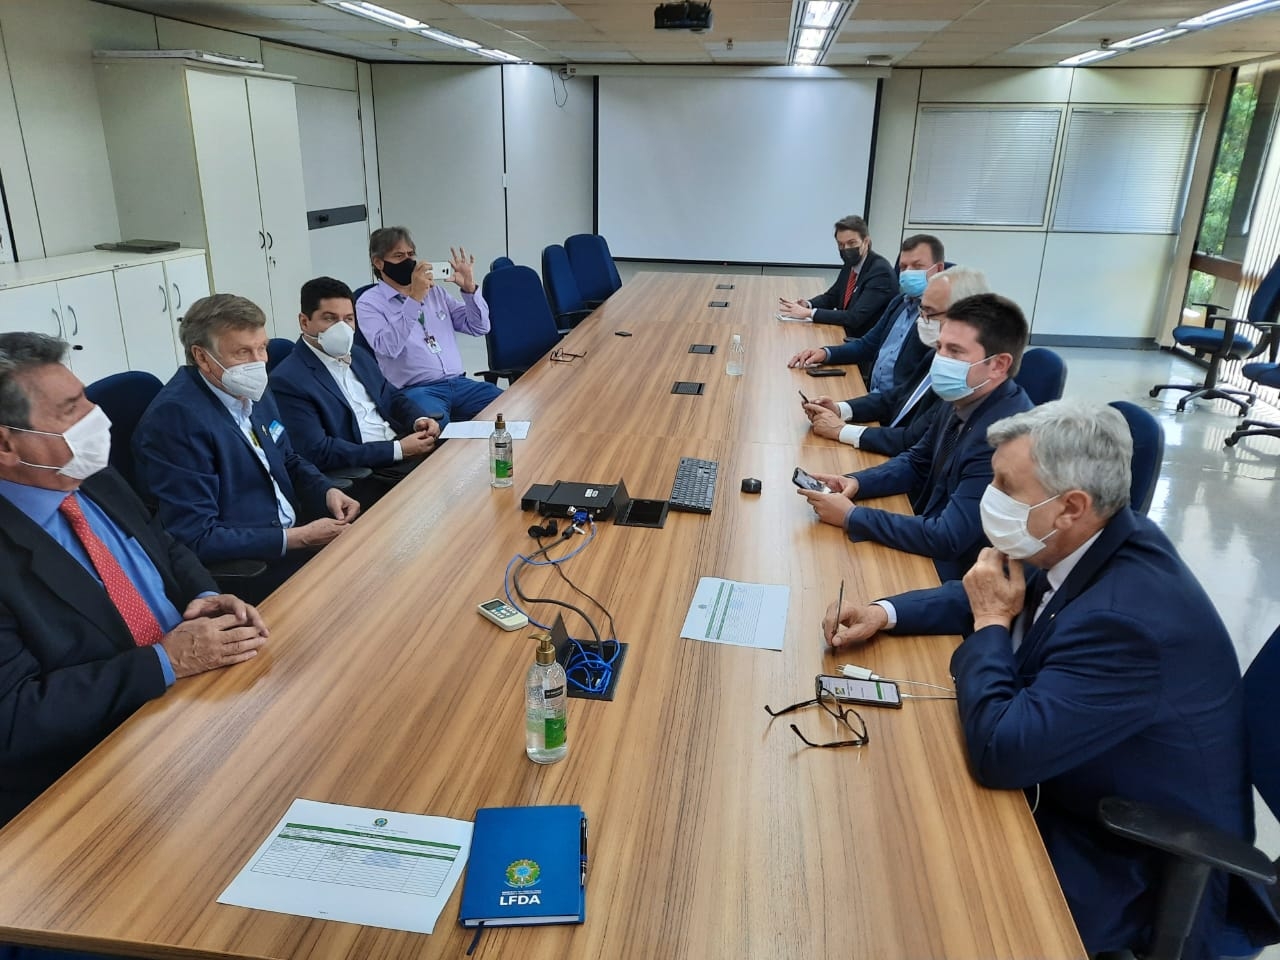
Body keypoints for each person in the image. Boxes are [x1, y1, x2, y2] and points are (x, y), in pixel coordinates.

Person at [820, 400, 1280, 960]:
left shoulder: (1128, 622)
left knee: (902, 889)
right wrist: (886, 612)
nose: (990, 497)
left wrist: (992, 623)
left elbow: (1001, 752)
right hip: (1079, 780)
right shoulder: (1091, 538)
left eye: (1005, 485)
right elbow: (1004, 589)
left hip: (1132, 866)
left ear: (1071, 507)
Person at [0, 332, 268, 828]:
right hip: (104, 770)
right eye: (70, 410)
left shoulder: (90, 475)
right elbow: (13, 716)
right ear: (5, 444)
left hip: (202, 699)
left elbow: (164, 543)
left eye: (86, 399)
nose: (96, 418)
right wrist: (166, 661)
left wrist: (205, 594)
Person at [134, 294, 360, 604]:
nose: (258, 362)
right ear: (202, 357)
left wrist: (326, 490)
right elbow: (196, 535)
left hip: (297, 535)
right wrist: (296, 538)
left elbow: (287, 459)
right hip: (256, 569)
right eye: (243, 352)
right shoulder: (176, 421)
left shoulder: (249, 387)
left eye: (262, 348)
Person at [796, 293, 1031, 582]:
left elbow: (948, 537)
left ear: (998, 365)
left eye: (955, 351)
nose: (940, 359)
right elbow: (917, 460)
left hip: (960, 575)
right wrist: (856, 482)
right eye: (940, 347)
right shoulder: (966, 395)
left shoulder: (1003, 438)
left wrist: (853, 516)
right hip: (926, 535)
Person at [270, 277, 441, 507]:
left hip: (401, 451)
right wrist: (397, 450)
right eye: (330, 318)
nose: (341, 328)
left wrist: (419, 419)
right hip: (368, 472)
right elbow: (319, 451)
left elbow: (390, 396)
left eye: (348, 319)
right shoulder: (288, 380)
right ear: (304, 322)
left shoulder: (358, 354)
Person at [801, 266, 989, 458]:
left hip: (902, 458)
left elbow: (912, 440)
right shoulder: (936, 355)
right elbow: (894, 399)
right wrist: (840, 409)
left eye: (929, 312)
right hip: (893, 449)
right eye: (921, 310)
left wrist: (841, 430)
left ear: (965, 317)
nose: (920, 320)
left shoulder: (965, 376)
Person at [356, 226, 501, 428]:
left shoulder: (435, 292)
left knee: (511, 407)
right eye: (399, 256)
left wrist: (469, 290)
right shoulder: (368, 303)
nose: (408, 261)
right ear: (378, 262)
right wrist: (414, 299)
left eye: (411, 254)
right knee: (436, 430)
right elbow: (388, 347)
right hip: (415, 390)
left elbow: (479, 327)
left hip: (460, 384)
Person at [787, 233, 945, 378]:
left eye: (917, 266)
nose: (908, 273)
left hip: (891, 398)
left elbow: (913, 387)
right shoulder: (899, 303)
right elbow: (867, 345)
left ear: (938, 269)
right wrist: (825, 353)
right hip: (874, 391)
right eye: (903, 267)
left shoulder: (941, 319)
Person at [777, 215, 896, 338]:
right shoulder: (851, 264)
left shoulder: (880, 272)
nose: (846, 249)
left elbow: (855, 317)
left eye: (852, 243)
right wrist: (807, 304)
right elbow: (832, 296)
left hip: (862, 340)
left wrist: (809, 313)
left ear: (866, 242)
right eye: (841, 244)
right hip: (843, 332)